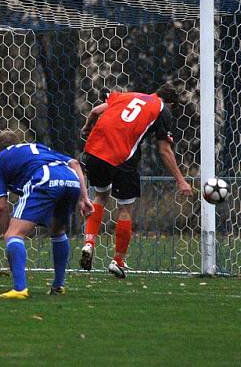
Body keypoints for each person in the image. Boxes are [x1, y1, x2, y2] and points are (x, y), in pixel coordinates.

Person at [79, 83, 193, 278]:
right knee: (125, 208)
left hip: (95, 150)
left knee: (100, 195)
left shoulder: (127, 95)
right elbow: (164, 150)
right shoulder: (162, 109)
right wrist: (181, 180)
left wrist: (87, 128)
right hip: (123, 157)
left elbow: (96, 111)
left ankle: (89, 243)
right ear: (170, 104)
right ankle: (118, 261)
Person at [0, 130, 93, 299]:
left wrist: (8, 238)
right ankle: (58, 285)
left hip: (45, 177)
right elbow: (74, 163)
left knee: (14, 235)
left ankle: (19, 289)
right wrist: (84, 197)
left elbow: (1, 207)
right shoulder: (37, 147)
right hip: (71, 180)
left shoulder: (0, 159)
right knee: (57, 231)